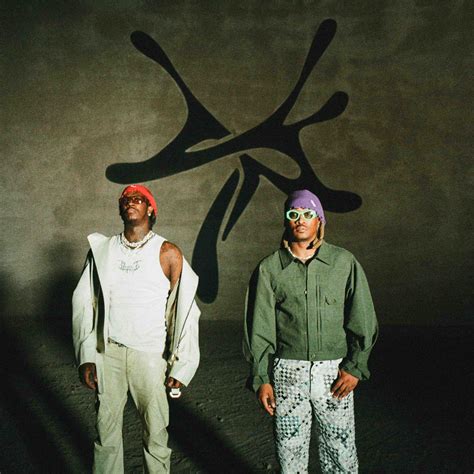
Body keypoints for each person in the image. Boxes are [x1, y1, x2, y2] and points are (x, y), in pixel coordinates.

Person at [243, 189, 378, 473]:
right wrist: (261, 378)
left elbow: (362, 318)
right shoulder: (270, 269)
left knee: (341, 453)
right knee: (289, 455)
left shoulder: (343, 262)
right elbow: (259, 328)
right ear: (286, 220)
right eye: (293, 214)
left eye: (308, 213)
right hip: (288, 374)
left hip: (334, 373)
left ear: (320, 220)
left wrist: (355, 367)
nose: (300, 219)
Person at [72, 184, 200, 473]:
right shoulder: (102, 251)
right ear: (121, 209)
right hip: (109, 353)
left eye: (138, 199)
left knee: (155, 434)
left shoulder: (168, 252)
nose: (130, 202)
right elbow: (83, 303)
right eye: (126, 199)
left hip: (150, 355)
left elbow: (186, 312)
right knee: (106, 435)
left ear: (150, 209)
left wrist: (183, 365)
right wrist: (87, 356)